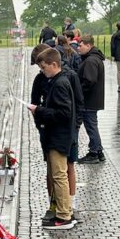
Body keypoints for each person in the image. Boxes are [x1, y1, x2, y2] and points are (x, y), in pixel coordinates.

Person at [32, 43, 84, 220]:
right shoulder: (51, 80)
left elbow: (68, 111)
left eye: (43, 67)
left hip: (61, 134)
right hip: (52, 132)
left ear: (53, 64)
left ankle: (65, 212)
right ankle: (60, 208)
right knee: (56, 172)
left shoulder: (63, 81)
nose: (42, 71)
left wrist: (39, 111)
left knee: (61, 173)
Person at [76, 34, 106, 164]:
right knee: (92, 125)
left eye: (80, 45)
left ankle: (94, 152)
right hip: (92, 99)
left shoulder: (91, 60)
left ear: (88, 45)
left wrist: (79, 93)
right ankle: (98, 151)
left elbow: (89, 81)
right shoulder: (92, 58)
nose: (78, 48)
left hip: (89, 100)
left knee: (91, 126)